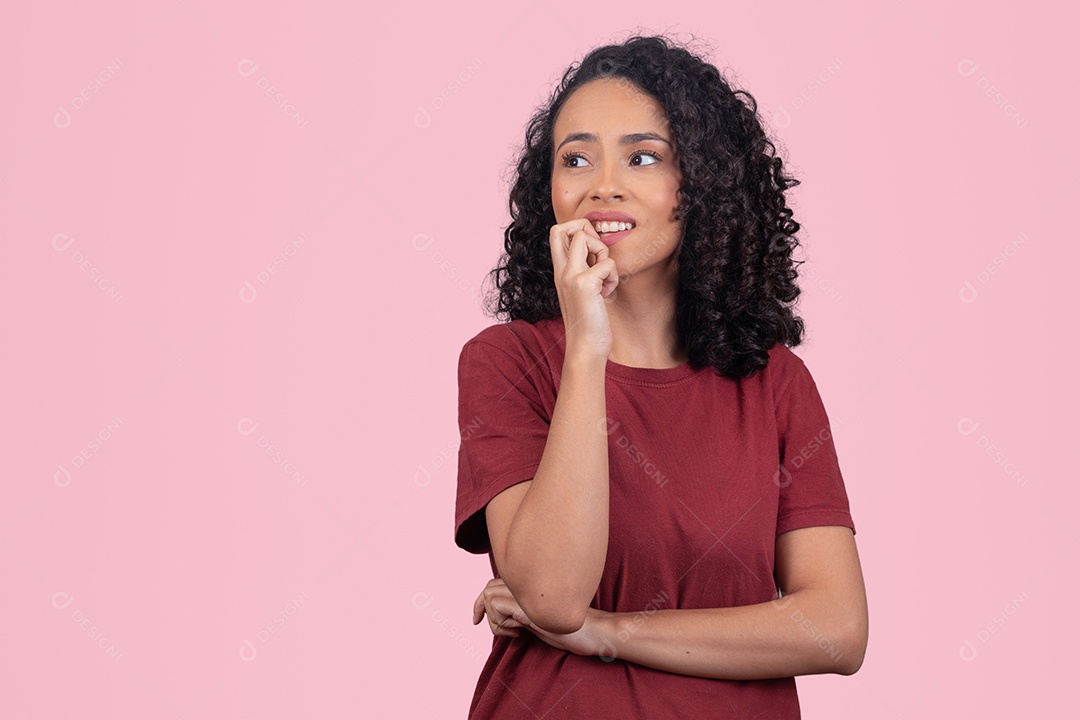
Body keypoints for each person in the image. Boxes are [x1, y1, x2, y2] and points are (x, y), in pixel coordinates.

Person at [453, 33, 868, 719]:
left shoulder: (775, 383)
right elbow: (555, 594)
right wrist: (588, 342)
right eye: (576, 158)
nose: (602, 185)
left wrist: (606, 632)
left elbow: (836, 628)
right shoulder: (508, 363)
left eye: (643, 157)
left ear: (698, 184)